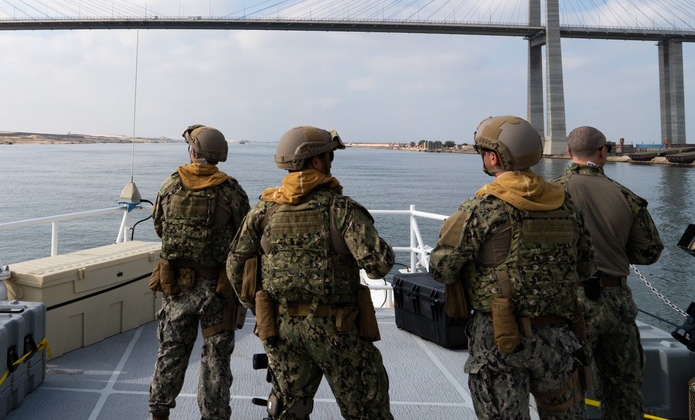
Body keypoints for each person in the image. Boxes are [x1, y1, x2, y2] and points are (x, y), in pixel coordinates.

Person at [430, 115, 596, 420]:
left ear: (493, 157)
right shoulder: (567, 205)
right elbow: (585, 267)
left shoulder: (483, 208)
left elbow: (441, 268)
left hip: (500, 338)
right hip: (559, 335)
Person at [226, 126, 395, 420]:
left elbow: (235, 265)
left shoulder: (264, 210)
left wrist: (260, 308)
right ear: (315, 161)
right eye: (328, 155)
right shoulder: (340, 209)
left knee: (288, 411)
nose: (330, 161)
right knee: (368, 410)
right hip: (338, 331)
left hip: (281, 329)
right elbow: (378, 265)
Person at [553, 126, 663, 419]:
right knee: (623, 390)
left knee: (566, 389)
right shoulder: (626, 196)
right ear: (604, 151)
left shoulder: (551, 194)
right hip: (617, 301)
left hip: (571, 304)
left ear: (568, 152)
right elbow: (650, 252)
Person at [148, 124, 250, 420]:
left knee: (171, 354)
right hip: (217, 292)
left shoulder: (170, 186)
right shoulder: (230, 191)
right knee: (216, 362)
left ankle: (159, 412)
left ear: (193, 152)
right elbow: (244, 238)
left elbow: (159, 227)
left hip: (177, 288)